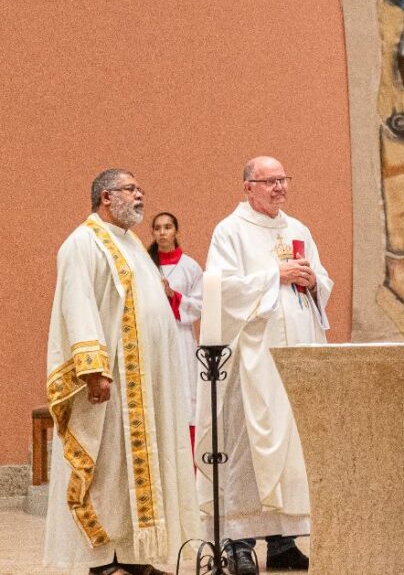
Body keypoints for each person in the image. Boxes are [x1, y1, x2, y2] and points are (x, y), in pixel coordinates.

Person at [44, 169, 198, 575]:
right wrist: (93, 370)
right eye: (131, 189)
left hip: (145, 386)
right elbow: (77, 304)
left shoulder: (129, 243)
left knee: (141, 469)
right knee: (110, 470)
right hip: (111, 381)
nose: (140, 194)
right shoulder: (84, 242)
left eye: (140, 188)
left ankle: (134, 557)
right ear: (106, 197)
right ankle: (104, 560)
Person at [198, 157, 332, 574]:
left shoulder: (298, 229)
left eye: (283, 180)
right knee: (246, 447)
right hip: (249, 360)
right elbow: (220, 289)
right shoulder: (230, 231)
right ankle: (237, 541)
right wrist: (275, 274)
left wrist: (313, 282)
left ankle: (282, 540)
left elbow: (320, 279)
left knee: (292, 446)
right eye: (269, 181)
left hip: (295, 359)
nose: (279, 188)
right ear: (247, 187)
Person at [148, 212, 203, 451]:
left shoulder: (190, 267)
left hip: (181, 339)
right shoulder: (146, 264)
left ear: (176, 231)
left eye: (167, 227)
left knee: (185, 394)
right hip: (154, 337)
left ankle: (187, 462)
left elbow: (201, 305)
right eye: (157, 228)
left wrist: (173, 296)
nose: (162, 232)